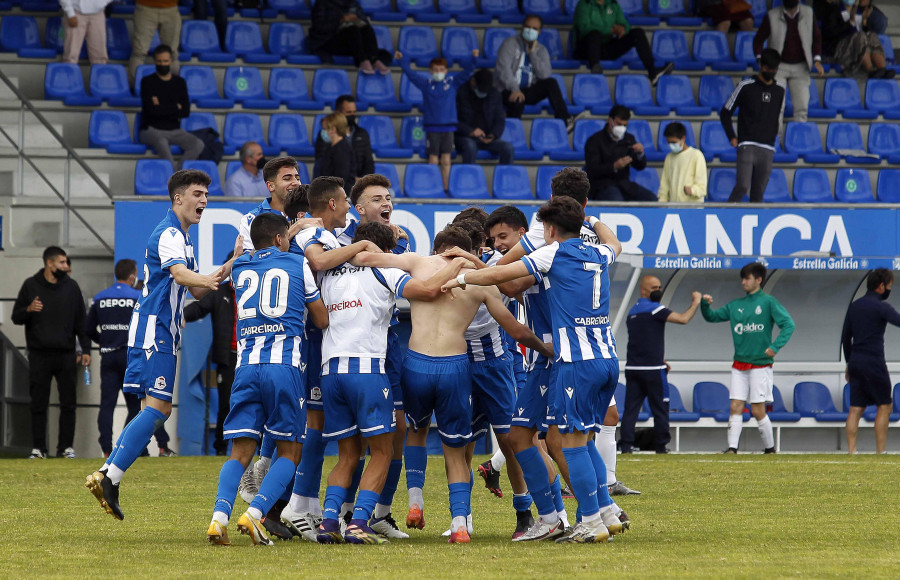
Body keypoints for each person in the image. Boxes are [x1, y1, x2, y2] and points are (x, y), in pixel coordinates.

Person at [441, 196, 626, 544]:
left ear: (549, 229)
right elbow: (614, 242)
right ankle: (577, 515)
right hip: (605, 357)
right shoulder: (600, 253)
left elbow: (503, 275)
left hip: (570, 359)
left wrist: (463, 277)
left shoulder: (552, 252)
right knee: (531, 435)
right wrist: (596, 220)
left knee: (567, 442)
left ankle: (592, 519)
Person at [84, 169, 242, 521]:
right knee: (158, 410)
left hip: (161, 330)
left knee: (151, 410)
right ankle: (110, 475)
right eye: (198, 193)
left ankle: (108, 474)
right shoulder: (170, 233)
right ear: (178, 198)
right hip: (155, 329)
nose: (204, 200)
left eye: (206, 195)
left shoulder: (183, 238)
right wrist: (208, 273)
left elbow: (200, 289)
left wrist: (234, 262)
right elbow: (182, 276)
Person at [486, 169, 633, 540]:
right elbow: (615, 245)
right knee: (549, 437)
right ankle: (602, 510)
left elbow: (512, 280)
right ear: (584, 203)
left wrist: (473, 269)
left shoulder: (544, 239)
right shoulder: (589, 237)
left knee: (558, 439)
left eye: (504, 238)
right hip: (585, 349)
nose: (502, 244)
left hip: (554, 353)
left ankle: (578, 517)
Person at [315, 222, 471, 544]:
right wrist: (455, 264)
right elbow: (428, 290)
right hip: (367, 369)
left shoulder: (327, 274)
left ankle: (329, 522)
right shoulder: (384, 271)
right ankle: (360, 522)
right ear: (385, 252)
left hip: (330, 369)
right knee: (382, 451)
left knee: (346, 455)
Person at [206, 212, 329, 547]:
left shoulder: (241, 267)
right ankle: (257, 513)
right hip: (284, 367)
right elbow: (321, 319)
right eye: (286, 237)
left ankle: (219, 518)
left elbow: (237, 259)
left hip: (245, 368)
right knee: (290, 452)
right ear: (279, 239)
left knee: (240, 451)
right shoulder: (296, 263)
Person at [275, 177, 381, 541]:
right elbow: (318, 259)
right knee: (315, 426)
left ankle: (313, 507)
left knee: (328, 431)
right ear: (332, 204)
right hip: (314, 337)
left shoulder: (326, 231)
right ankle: (296, 502)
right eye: (346, 203)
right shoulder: (311, 238)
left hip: (328, 341)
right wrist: (363, 244)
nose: (350, 209)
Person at [700, 262, 795, 454]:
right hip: (739, 364)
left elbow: (788, 324)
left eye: (747, 278)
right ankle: (732, 449)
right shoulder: (736, 305)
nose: (743, 282)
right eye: (742, 278)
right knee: (735, 405)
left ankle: (770, 449)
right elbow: (712, 317)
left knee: (758, 409)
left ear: (758, 280)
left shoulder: (768, 302)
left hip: (760, 365)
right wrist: (704, 305)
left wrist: (775, 347)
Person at [86, 259, 174, 460]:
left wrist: (104, 341)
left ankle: (107, 449)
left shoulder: (100, 297)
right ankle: (151, 447)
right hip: (131, 358)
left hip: (108, 356)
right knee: (141, 405)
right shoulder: (137, 297)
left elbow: (88, 329)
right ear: (133, 276)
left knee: (106, 405)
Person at [12, 246, 90, 459]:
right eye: (62, 263)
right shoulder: (30, 285)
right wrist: (28, 310)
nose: (66, 266)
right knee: (38, 403)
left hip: (66, 355)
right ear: (50, 263)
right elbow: (15, 316)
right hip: (39, 355)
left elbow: (81, 322)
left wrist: (86, 349)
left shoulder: (72, 287)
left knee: (68, 404)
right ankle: (39, 449)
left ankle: (65, 448)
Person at [620, 276, 702, 454]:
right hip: (653, 370)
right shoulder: (656, 309)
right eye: (654, 287)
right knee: (660, 408)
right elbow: (683, 319)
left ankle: (626, 445)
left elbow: (642, 339)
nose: (658, 290)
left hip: (634, 368)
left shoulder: (632, 311)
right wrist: (696, 302)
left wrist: (658, 358)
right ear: (643, 290)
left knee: (630, 410)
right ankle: (660, 446)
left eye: (659, 286)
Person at [397, 50, 478, 192]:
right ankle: (433, 186)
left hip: (448, 128)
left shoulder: (452, 82)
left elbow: (468, 72)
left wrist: (474, 58)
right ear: (430, 71)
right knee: (433, 160)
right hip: (432, 128)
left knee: (446, 159)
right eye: (435, 70)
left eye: (441, 69)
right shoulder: (426, 84)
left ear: (446, 71)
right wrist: (402, 61)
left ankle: (446, 187)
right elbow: (411, 74)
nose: (438, 72)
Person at [183, 253, 237, 456]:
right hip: (228, 358)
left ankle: (261, 449)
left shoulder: (258, 290)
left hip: (253, 357)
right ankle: (221, 449)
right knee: (226, 404)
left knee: (257, 404)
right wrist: (183, 315)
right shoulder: (220, 291)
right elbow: (199, 307)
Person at [842, 268, 900, 454]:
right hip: (874, 361)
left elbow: (845, 338)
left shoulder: (855, 306)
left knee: (855, 408)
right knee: (884, 405)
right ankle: (880, 451)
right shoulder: (881, 307)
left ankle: (852, 451)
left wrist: (849, 364)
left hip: (856, 361)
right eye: (890, 286)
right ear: (881, 286)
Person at [494, 14, 586, 132]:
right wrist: (514, 89)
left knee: (551, 83)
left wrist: (532, 54)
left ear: (539, 32)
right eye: (528, 27)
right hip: (505, 90)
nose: (530, 30)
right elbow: (503, 70)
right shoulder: (509, 43)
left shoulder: (541, 50)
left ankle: (565, 120)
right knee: (517, 100)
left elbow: (545, 75)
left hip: (526, 90)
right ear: (522, 28)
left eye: (534, 28)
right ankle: (513, 131)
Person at [720, 49, 785, 203]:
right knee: (742, 186)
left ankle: (756, 225)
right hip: (747, 144)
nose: (771, 72)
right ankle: (725, 215)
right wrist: (732, 137)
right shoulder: (745, 85)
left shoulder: (780, 91)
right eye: (768, 68)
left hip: (768, 147)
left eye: (774, 69)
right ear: (760, 65)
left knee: (758, 193)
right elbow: (725, 112)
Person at [754, 0, 824, 122]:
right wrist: (760, 59)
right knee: (776, 107)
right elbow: (758, 40)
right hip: (778, 67)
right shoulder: (772, 15)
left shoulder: (809, 13)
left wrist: (817, 59)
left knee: (802, 108)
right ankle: (776, 140)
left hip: (801, 66)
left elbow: (816, 37)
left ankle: (798, 139)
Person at [572, 0, 674, 83]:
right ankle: (595, 69)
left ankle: (653, 72)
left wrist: (622, 29)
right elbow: (584, 28)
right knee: (594, 34)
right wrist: (610, 30)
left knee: (637, 33)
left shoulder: (613, 4)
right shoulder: (583, 4)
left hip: (606, 49)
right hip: (586, 50)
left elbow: (625, 24)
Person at [138, 45, 204, 170]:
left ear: (171, 61)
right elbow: (150, 111)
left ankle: (177, 171)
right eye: (159, 61)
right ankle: (176, 176)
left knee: (197, 144)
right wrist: (175, 107)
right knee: (161, 141)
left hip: (175, 131)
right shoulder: (147, 82)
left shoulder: (179, 83)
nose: (162, 64)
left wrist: (160, 106)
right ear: (155, 61)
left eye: (165, 61)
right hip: (151, 130)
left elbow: (185, 111)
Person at [584, 105, 656, 202]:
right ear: (610, 121)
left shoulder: (629, 139)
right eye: (619, 124)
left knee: (651, 199)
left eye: (625, 125)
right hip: (601, 185)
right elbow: (592, 169)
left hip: (625, 185)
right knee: (617, 200)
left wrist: (640, 154)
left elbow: (640, 166)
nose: (621, 128)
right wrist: (614, 166)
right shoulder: (595, 140)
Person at [814, 0, 894, 79]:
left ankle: (882, 69)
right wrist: (850, 23)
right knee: (860, 36)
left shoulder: (859, 11)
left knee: (872, 36)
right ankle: (871, 70)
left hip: (857, 46)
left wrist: (865, 23)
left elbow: (865, 33)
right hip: (839, 49)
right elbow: (832, 33)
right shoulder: (833, 10)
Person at [308, 0, 391, 74]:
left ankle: (374, 59)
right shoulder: (322, 3)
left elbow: (365, 23)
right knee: (351, 29)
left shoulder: (353, 4)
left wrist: (356, 20)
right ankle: (362, 60)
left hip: (353, 42)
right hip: (327, 40)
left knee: (366, 29)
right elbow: (318, 27)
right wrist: (339, 21)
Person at [455, 69, 515, 166]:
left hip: (486, 137)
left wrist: (493, 135)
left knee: (508, 148)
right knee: (470, 147)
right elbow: (453, 121)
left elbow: (500, 119)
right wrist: (470, 131)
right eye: (481, 89)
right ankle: (468, 178)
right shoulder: (460, 92)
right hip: (465, 136)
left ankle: (505, 180)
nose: (483, 92)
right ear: (473, 82)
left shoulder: (494, 94)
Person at [314, 96, 375, 182]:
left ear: (333, 130)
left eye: (354, 112)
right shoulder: (331, 144)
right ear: (339, 112)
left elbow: (368, 162)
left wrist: (362, 181)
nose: (352, 115)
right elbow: (322, 163)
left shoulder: (360, 135)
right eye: (348, 112)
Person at [128, 0, 181, 84]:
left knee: (172, 53)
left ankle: (173, 87)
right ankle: (134, 87)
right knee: (139, 53)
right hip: (145, 7)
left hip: (170, 8)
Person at [658, 122, 708, 203]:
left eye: (674, 142)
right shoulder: (669, 158)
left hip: (693, 209)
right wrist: (662, 201)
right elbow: (664, 184)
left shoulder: (696, 155)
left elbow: (702, 188)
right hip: (674, 208)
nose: (671, 145)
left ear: (683, 138)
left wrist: (692, 190)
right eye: (669, 143)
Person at [313, 112, 356, 195]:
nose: (323, 132)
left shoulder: (342, 149)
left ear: (333, 129)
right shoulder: (331, 148)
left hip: (336, 196)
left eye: (325, 129)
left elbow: (340, 178)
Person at [60, 0, 113, 64]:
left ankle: (99, 72)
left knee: (99, 56)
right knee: (71, 54)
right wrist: (70, 13)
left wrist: (101, 3)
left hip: (98, 14)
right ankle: (69, 72)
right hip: (75, 12)